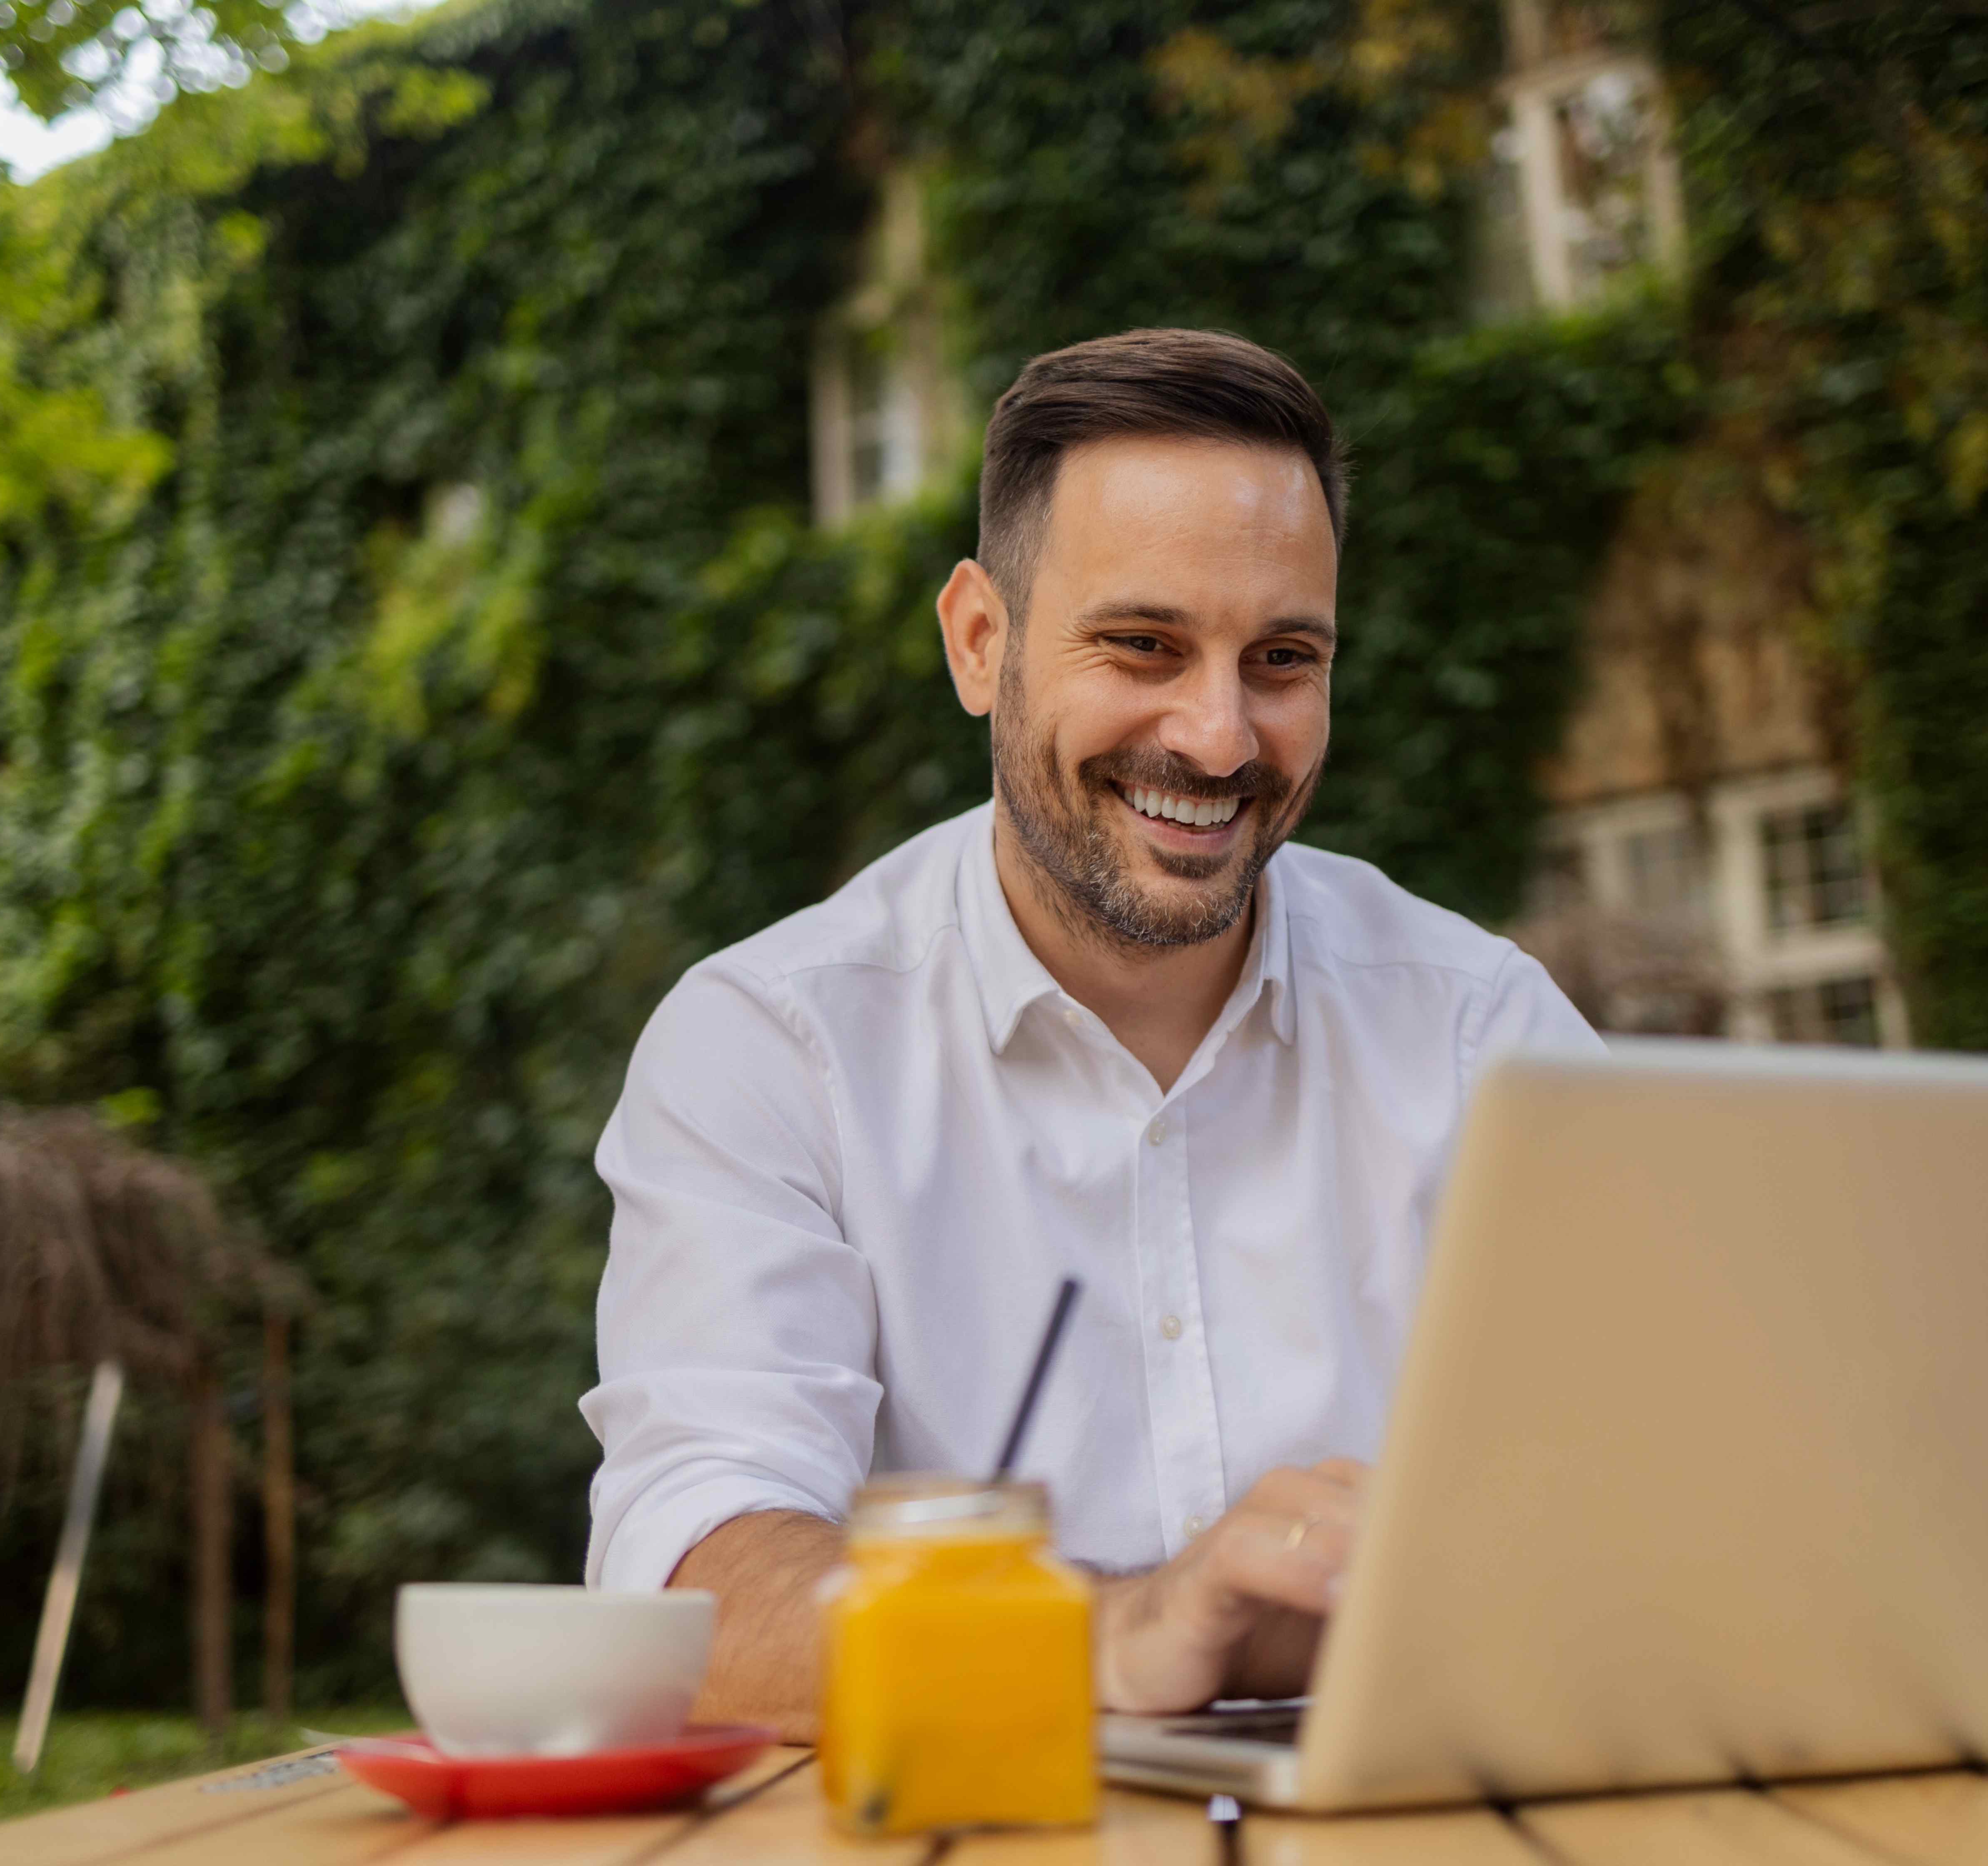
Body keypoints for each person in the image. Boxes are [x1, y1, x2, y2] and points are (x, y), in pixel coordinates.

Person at [580, 328, 1598, 1736]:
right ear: (980, 642)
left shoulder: (1487, 1034)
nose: (1222, 737)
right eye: (1144, 645)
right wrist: (1123, 1636)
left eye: (1285, 659)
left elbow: (1686, 1497)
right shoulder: (772, 1046)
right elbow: (700, 1592)